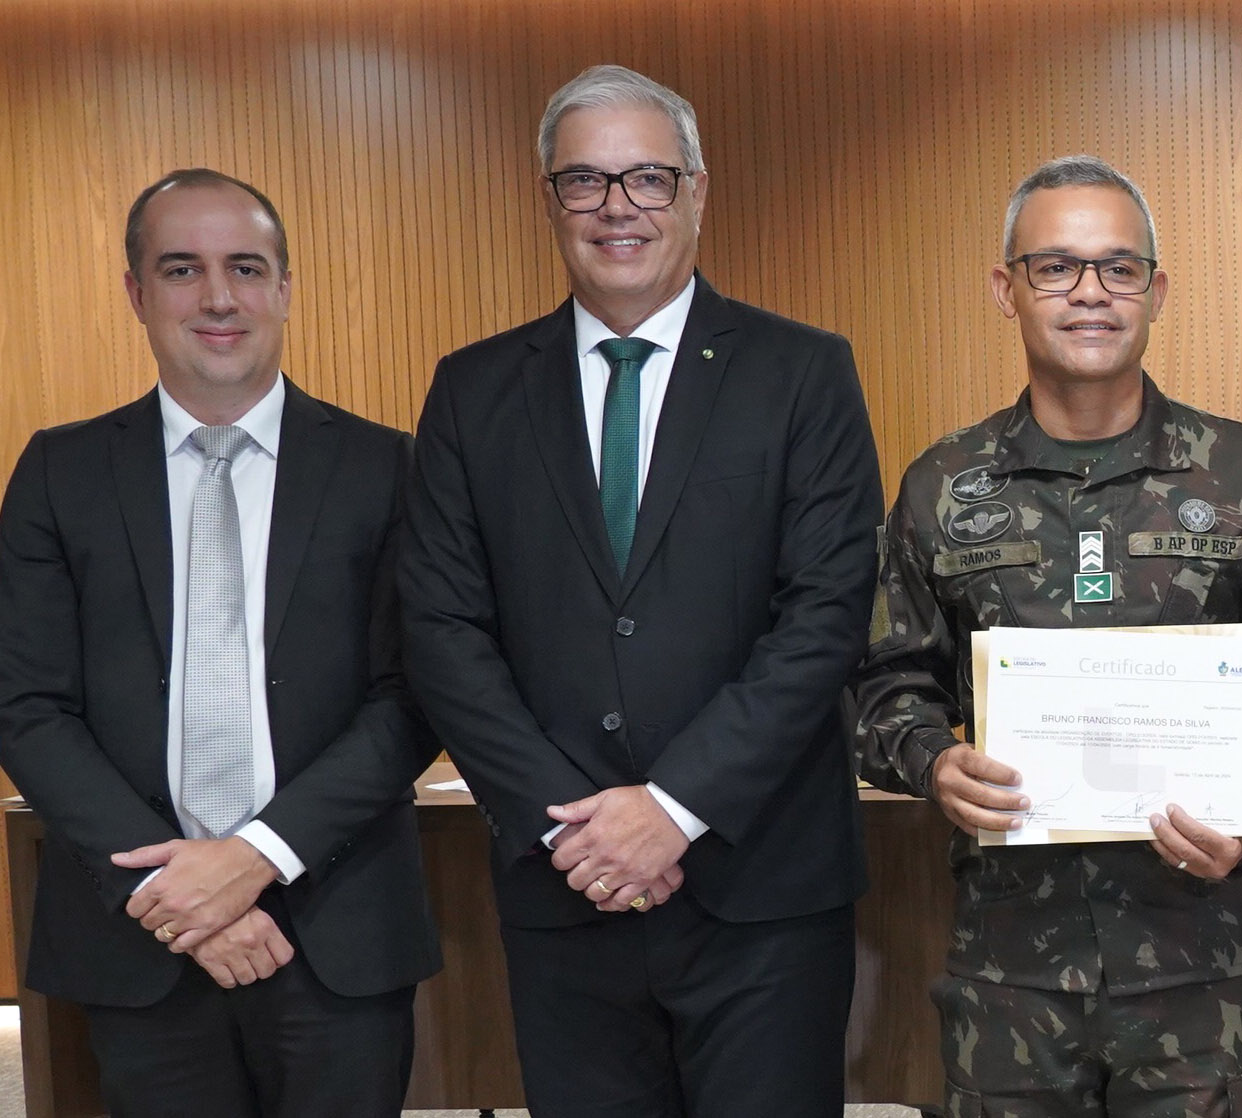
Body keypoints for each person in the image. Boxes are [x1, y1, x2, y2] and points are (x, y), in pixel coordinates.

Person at [399, 64, 882, 1116]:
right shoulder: (473, 390)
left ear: (696, 192)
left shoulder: (802, 373)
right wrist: (573, 828)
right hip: (563, 883)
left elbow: (825, 615)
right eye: (584, 180)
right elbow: (441, 628)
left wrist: (673, 807)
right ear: (549, 201)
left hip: (762, 892)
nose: (616, 206)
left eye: (648, 178)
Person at [851, 154, 1242, 1117]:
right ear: (1005, 290)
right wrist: (931, 760)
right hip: (1010, 974)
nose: (1090, 292)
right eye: (1055, 267)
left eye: (1119, 268)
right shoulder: (944, 485)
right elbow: (883, 683)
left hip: (1204, 974)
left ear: (1156, 293)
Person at [0, 168, 440, 1115]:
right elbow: (27, 705)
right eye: (181, 269)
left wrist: (256, 857)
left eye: (245, 267)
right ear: (136, 293)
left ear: (285, 288)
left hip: (334, 923)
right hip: (141, 929)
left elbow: (414, 696)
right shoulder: (59, 471)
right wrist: (178, 891)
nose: (218, 298)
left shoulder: (385, 467)